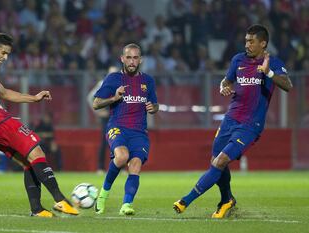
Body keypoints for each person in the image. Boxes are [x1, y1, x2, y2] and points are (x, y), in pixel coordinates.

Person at [0, 32, 79, 218]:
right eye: (3, 53)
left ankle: (37, 209)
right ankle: (61, 200)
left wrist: (34, 98)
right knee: (37, 152)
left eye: (8, 54)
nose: (5, 58)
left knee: (29, 162)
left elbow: (5, 93)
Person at [173, 24, 293, 218]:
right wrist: (223, 86)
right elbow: (226, 81)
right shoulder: (238, 60)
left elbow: (288, 85)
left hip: (250, 125)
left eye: (251, 41)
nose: (247, 44)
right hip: (230, 119)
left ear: (263, 43)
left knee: (220, 161)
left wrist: (269, 73)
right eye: (246, 40)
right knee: (216, 160)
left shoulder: (274, 63)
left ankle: (186, 200)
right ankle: (226, 200)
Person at [93, 43, 158, 215]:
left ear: (140, 60)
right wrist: (114, 98)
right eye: (128, 57)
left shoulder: (148, 81)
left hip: (139, 132)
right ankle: (103, 195)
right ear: (122, 59)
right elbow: (96, 103)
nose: (132, 61)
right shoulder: (113, 78)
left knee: (135, 165)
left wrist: (153, 108)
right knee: (122, 157)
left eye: (135, 58)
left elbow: (155, 104)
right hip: (117, 126)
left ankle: (126, 205)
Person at [87, 66, 119, 173]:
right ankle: (100, 167)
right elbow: (90, 97)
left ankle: (120, 167)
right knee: (105, 141)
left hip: (117, 116)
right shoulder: (102, 83)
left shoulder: (121, 84)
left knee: (119, 141)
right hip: (106, 117)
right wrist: (98, 112)